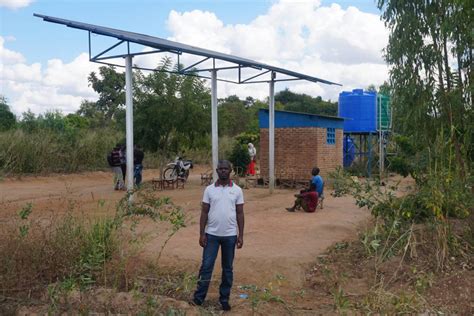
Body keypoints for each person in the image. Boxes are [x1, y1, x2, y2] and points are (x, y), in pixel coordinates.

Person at [193, 160, 245, 311]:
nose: (223, 171)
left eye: (225, 169)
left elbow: (240, 213)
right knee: (206, 267)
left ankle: (224, 299)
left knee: (227, 268)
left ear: (230, 170)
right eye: (220, 169)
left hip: (230, 236)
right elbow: (204, 212)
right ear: (217, 171)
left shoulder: (237, 190)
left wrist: (240, 235)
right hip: (212, 236)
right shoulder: (209, 190)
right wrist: (201, 233)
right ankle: (198, 298)